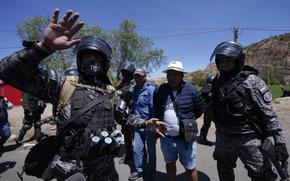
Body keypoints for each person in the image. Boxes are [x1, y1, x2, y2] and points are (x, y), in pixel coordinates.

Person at [0, 9, 166, 181]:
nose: (92, 61)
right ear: (79, 60)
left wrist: (145, 123)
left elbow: (125, 118)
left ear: (105, 63)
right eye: (87, 56)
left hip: (105, 171)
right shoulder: (63, 84)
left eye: (97, 58)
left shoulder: (110, 92)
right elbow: (7, 71)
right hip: (71, 170)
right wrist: (44, 47)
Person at [210, 41, 289, 181]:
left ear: (238, 61)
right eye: (221, 61)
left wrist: (280, 142)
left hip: (249, 138)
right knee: (223, 170)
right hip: (223, 137)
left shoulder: (252, 81)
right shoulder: (215, 82)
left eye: (228, 61)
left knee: (261, 175)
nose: (224, 64)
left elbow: (268, 113)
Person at [153, 60, 205, 181]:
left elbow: (200, 109)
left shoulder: (191, 90)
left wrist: (187, 121)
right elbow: (157, 107)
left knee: (190, 167)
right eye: (169, 74)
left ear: (181, 75)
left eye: (175, 74)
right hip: (166, 138)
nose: (171, 77)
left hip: (186, 139)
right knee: (170, 164)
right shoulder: (161, 90)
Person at [129, 68, 157, 181]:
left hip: (149, 124)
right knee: (137, 149)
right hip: (138, 125)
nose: (137, 78)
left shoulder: (151, 90)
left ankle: (151, 172)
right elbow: (134, 106)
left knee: (151, 151)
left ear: (145, 77)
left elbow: (153, 107)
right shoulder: (135, 89)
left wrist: (153, 124)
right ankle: (138, 170)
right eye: (136, 76)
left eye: (140, 76)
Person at [116, 62, 136, 173]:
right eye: (123, 72)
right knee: (127, 136)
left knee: (136, 138)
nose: (125, 74)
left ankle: (138, 159)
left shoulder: (134, 82)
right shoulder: (123, 82)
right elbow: (118, 92)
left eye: (126, 72)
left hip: (133, 114)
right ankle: (128, 155)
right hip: (123, 115)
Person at [196, 75, 215, 146]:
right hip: (211, 110)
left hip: (206, 109)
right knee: (219, 126)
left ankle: (202, 137)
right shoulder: (213, 88)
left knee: (206, 124)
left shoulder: (205, 87)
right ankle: (203, 138)